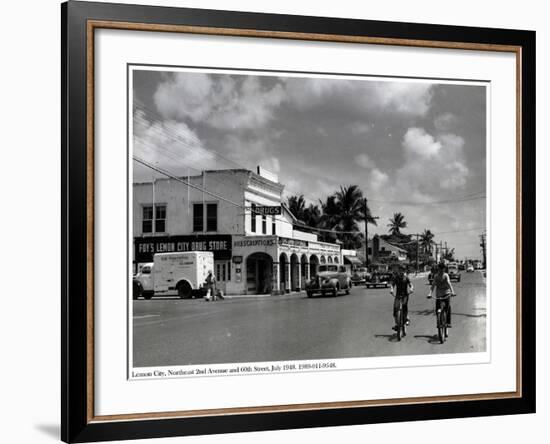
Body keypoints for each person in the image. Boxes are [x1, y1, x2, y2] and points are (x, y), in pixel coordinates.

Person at [428, 262, 455, 327]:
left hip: (446, 293)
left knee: (448, 307)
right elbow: (433, 286)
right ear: (438, 269)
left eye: (442, 269)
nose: (441, 270)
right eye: (440, 269)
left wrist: (452, 292)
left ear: (444, 269)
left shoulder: (446, 275)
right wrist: (430, 293)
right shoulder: (436, 276)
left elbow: (449, 284)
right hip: (439, 294)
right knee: (437, 308)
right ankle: (439, 321)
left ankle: (448, 322)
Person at [390, 265, 414, 331]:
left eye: (403, 270)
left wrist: (411, 289)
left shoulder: (406, 278)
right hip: (397, 296)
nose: (401, 272)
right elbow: (392, 285)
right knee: (395, 310)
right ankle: (396, 324)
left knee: (404, 307)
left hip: (405, 296)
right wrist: (391, 289)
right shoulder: (396, 278)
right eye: (400, 270)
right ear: (398, 271)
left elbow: (411, 284)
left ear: (404, 271)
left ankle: (406, 319)